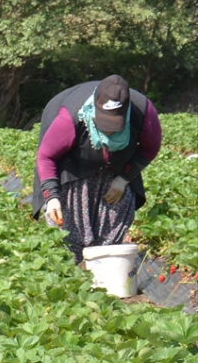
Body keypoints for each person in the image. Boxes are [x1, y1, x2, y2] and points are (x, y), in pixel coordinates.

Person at [32, 75, 162, 263]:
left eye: (115, 125)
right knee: (68, 225)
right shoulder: (70, 118)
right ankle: (71, 269)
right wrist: (51, 196)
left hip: (117, 165)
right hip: (73, 165)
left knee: (115, 215)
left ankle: (103, 268)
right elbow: (46, 156)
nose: (109, 131)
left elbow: (151, 148)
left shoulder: (142, 112)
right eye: (104, 124)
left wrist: (123, 179)